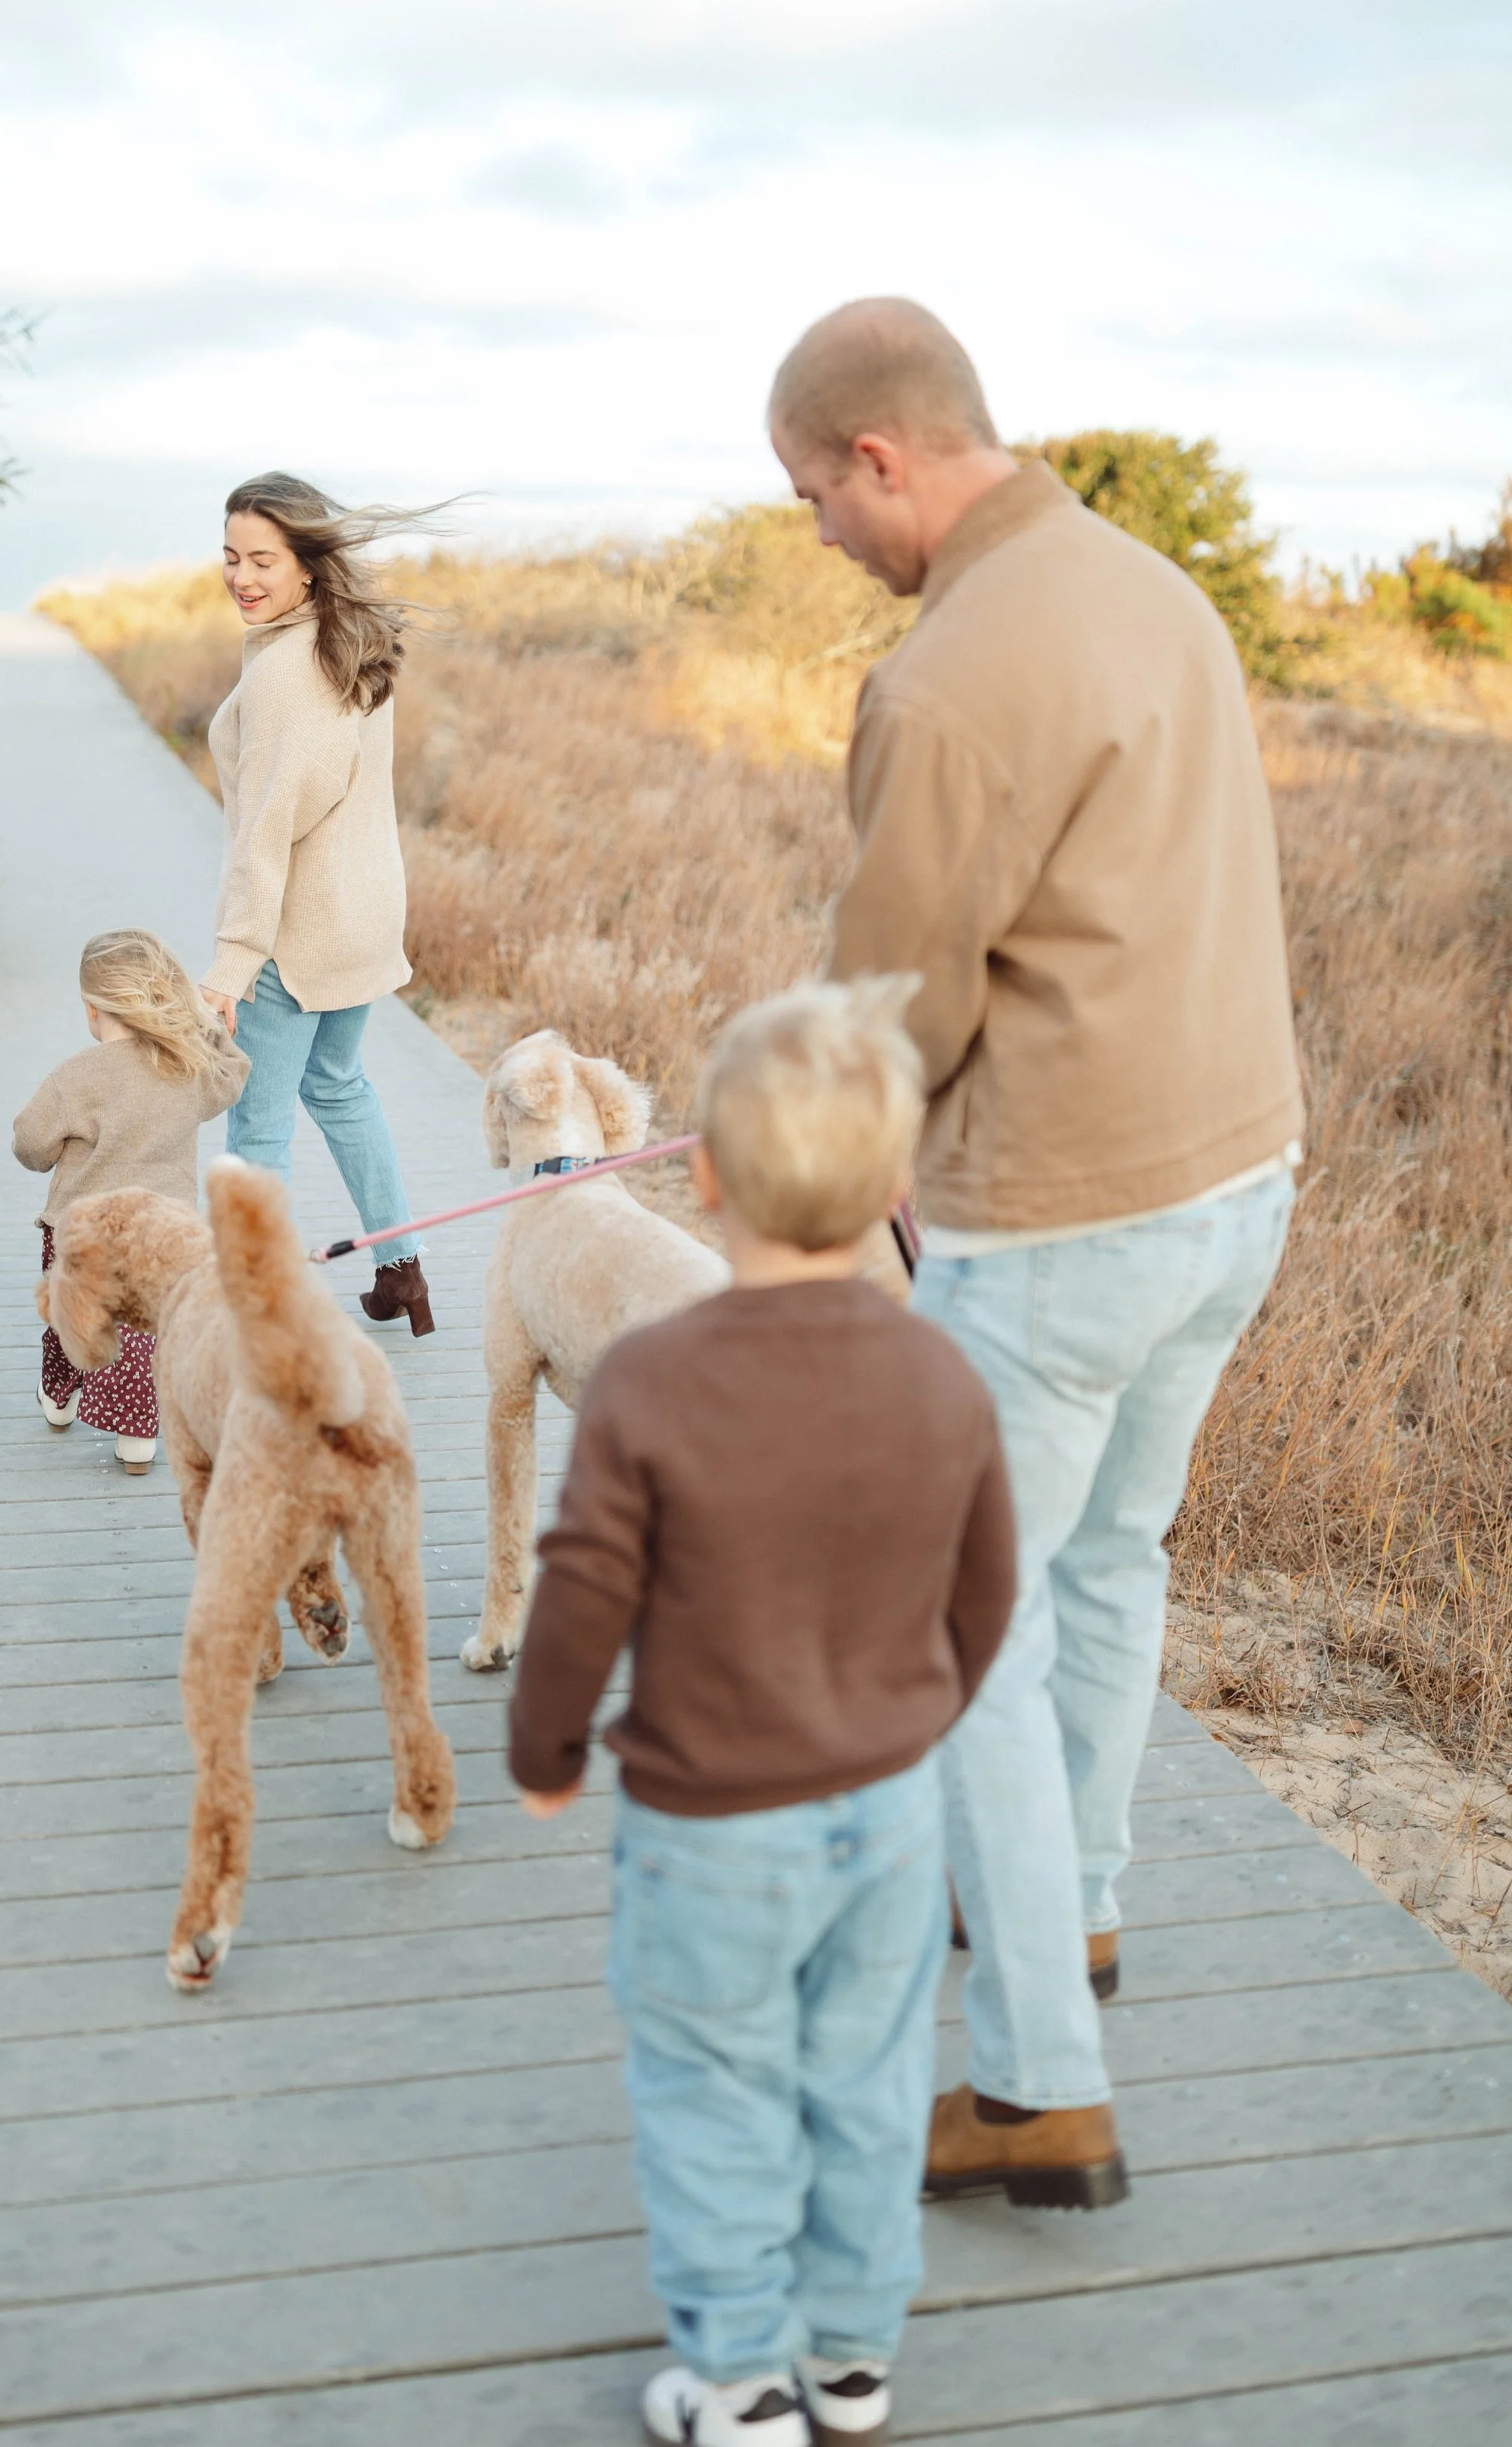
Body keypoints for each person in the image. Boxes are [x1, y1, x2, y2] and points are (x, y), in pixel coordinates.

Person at [767, 296, 1303, 2208]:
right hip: (1243, 1175)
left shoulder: (948, 677)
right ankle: (1071, 1911)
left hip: (1073, 1220)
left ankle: (1036, 2091)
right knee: (1103, 1561)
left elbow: (897, 1010)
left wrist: (780, 1103)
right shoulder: (1153, 585)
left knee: (961, 1631)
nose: (818, 529)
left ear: (881, 458)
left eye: (814, 492)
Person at [510, 980, 1016, 2447]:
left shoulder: (657, 1377)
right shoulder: (942, 1369)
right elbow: (986, 1590)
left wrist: (545, 1751)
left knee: (712, 2080)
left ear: (707, 1175)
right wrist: (914, 1717)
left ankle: (735, 2377)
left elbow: (585, 1584)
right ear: (894, 1188)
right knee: (864, 2077)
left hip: (710, 1820)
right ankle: (853, 2360)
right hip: (889, 1809)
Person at [195, 472, 434, 1336]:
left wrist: (231, 962)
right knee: (338, 1088)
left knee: (257, 1130)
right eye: (229, 557)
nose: (241, 576)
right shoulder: (351, 640)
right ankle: (400, 1268)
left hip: (297, 935)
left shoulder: (290, 672)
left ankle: (260, 1320)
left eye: (263, 559)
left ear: (306, 564)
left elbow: (265, 833)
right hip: (361, 916)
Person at [14, 927, 245, 1473]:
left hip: (81, 1232)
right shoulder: (183, 1066)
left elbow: (30, 1144)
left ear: (94, 1010)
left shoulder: (75, 1077)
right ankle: (137, 1438)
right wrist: (209, 1025)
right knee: (144, 1331)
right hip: (161, 1233)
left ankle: (60, 1397)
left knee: (72, 1317)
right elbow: (233, 1078)